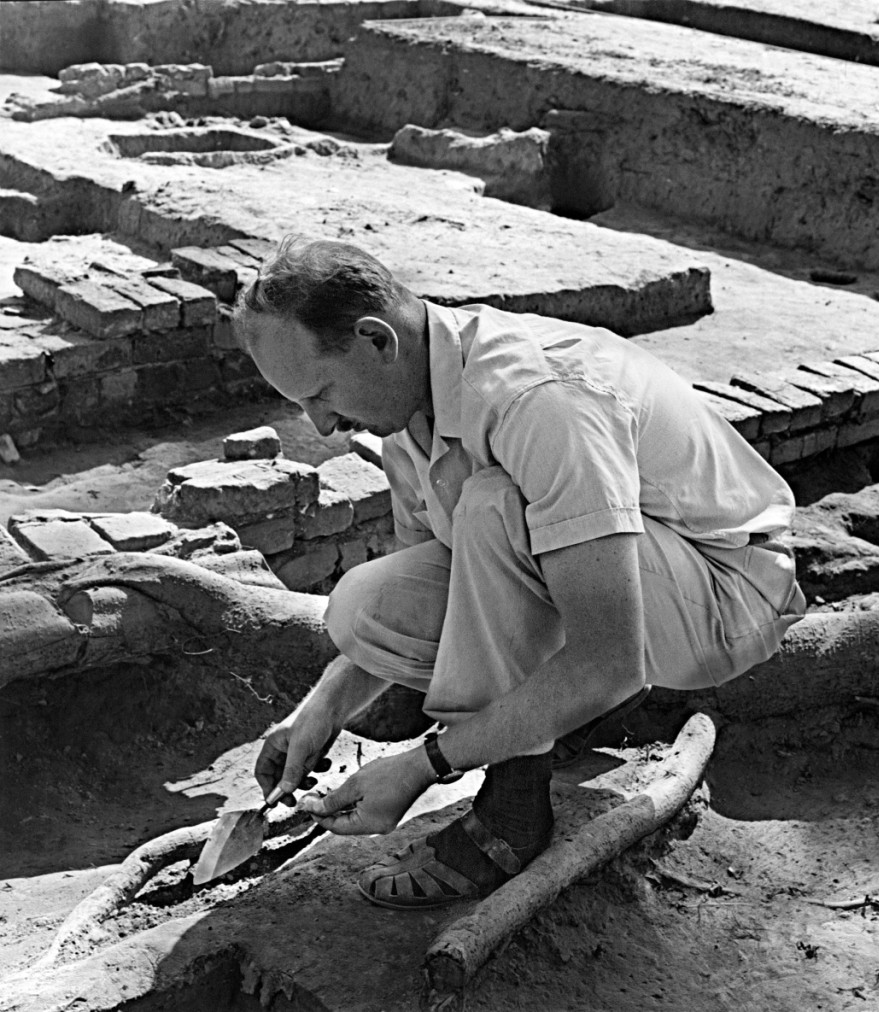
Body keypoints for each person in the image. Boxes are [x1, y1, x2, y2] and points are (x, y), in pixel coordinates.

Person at [233, 234, 806, 910]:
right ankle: (548, 723)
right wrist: (320, 712)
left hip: (727, 589)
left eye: (322, 393)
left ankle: (511, 812)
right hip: (628, 577)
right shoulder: (404, 420)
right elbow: (444, 593)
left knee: (494, 507)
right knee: (367, 605)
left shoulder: (537, 400)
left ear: (376, 340)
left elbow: (610, 658)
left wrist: (425, 765)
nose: (322, 425)